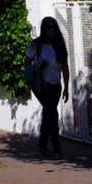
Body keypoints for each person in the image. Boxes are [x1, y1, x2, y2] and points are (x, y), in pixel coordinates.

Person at [25, 16, 70, 158]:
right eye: (48, 27)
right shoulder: (36, 45)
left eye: (53, 27)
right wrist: (36, 69)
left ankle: (42, 147)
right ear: (44, 29)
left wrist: (66, 87)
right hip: (40, 85)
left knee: (48, 114)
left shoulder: (59, 45)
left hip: (55, 84)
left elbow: (65, 67)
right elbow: (27, 64)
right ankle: (57, 149)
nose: (51, 30)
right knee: (52, 113)